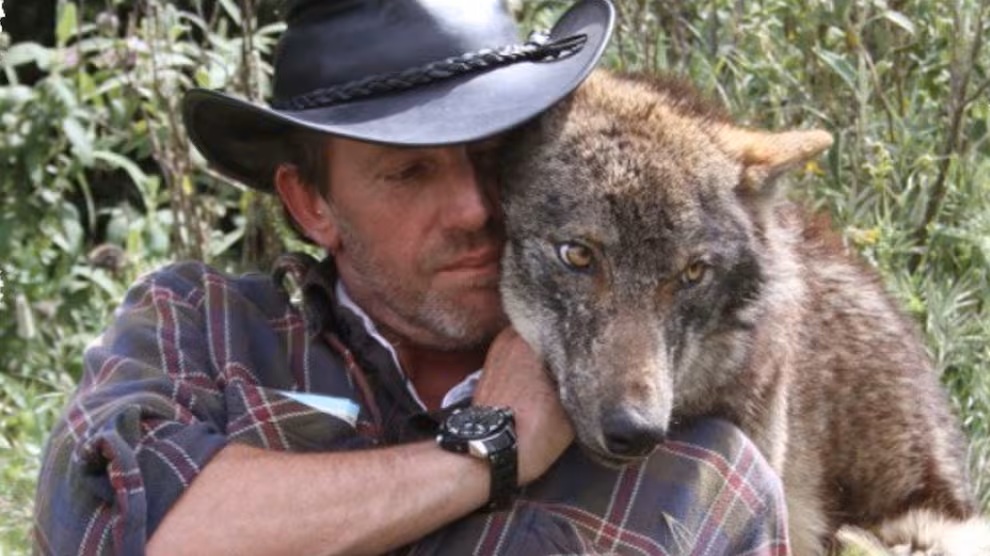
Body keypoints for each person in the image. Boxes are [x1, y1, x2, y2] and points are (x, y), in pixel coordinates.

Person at [34, 1, 791, 554]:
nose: (473, 208)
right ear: (311, 204)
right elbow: (111, 529)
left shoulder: (692, 474)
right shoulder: (199, 327)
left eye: (490, 157)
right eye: (410, 172)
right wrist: (487, 455)